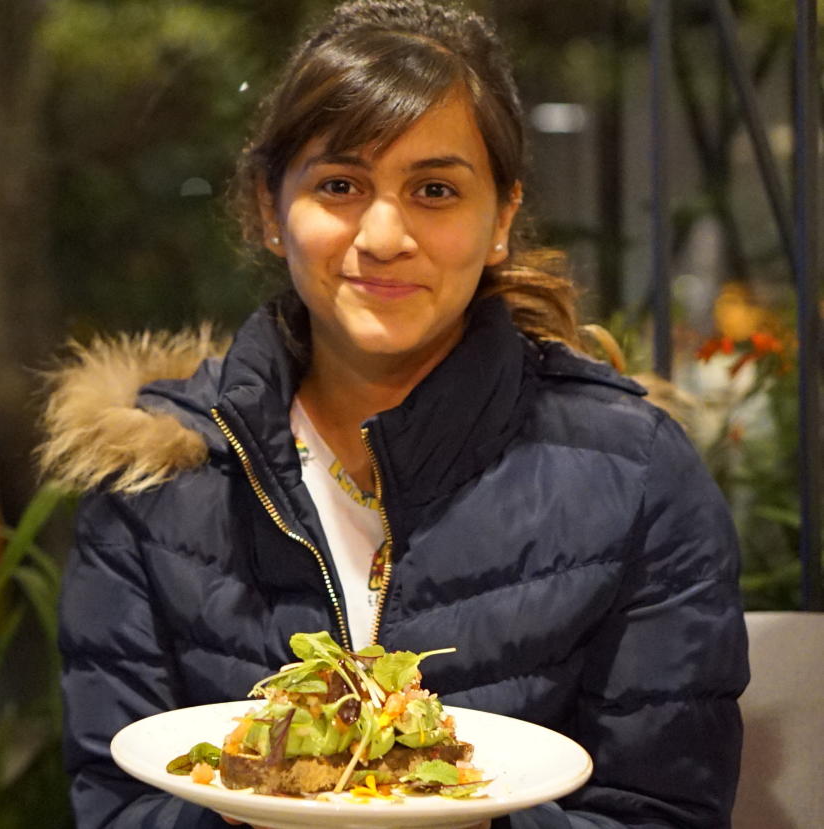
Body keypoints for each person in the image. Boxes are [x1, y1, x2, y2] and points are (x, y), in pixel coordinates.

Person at [40, 1, 749, 827]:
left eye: (435, 189)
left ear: (501, 220)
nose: (383, 234)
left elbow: (662, 810)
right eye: (340, 185)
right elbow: (119, 804)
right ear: (271, 212)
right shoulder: (153, 471)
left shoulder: (634, 474)